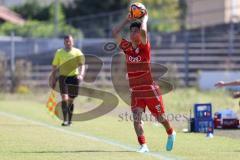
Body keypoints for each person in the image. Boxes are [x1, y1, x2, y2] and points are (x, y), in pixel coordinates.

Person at [112, 11, 176, 153]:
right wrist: (126, 20)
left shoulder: (145, 47)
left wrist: (144, 19)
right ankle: (143, 146)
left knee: (160, 118)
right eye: (132, 30)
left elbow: (144, 32)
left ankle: (171, 132)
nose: (135, 33)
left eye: (137, 30)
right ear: (130, 34)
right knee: (136, 120)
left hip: (149, 89)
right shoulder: (127, 48)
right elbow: (115, 32)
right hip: (135, 91)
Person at [51, 35, 85, 126]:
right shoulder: (59, 52)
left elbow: (82, 65)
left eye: (69, 41)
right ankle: (65, 120)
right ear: (64, 42)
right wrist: (53, 78)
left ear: (73, 42)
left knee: (70, 100)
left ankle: (69, 120)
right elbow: (54, 66)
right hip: (63, 78)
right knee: (64, 98)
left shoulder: (77, 52)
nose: (68, 43)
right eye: (66, 41)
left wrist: (81, 74)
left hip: (74, 78)